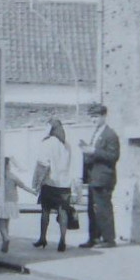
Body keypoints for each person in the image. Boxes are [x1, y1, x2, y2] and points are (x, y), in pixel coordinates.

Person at [78, 103, 121, 248]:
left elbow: (113, 156)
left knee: (103, 209)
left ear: (104, 116)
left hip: (104, 178)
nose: (93, 120)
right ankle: (94, 238)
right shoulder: (97, 133)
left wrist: (93, 151)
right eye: (91, 117)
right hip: (93, 178)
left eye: (96, 117)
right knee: (91, 209)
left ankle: (109, 239)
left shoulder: (110, 135)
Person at [32, 118, 74, 252]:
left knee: (45, 211)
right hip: (64, 184)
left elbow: (44, 165)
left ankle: (43, 238)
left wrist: (38, 183)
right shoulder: (67, 145)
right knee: (63, 213)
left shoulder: (48, 143)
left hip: (50, 183)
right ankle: (62, 240)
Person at [0, 156, 32, 254]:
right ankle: (5, 241)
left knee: (1, 223)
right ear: (7, 165)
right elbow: (22, 185)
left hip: (1, 202)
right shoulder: (11, 175)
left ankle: (5, 238)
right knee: (6, 222)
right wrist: (32, 192)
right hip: (11, 202)